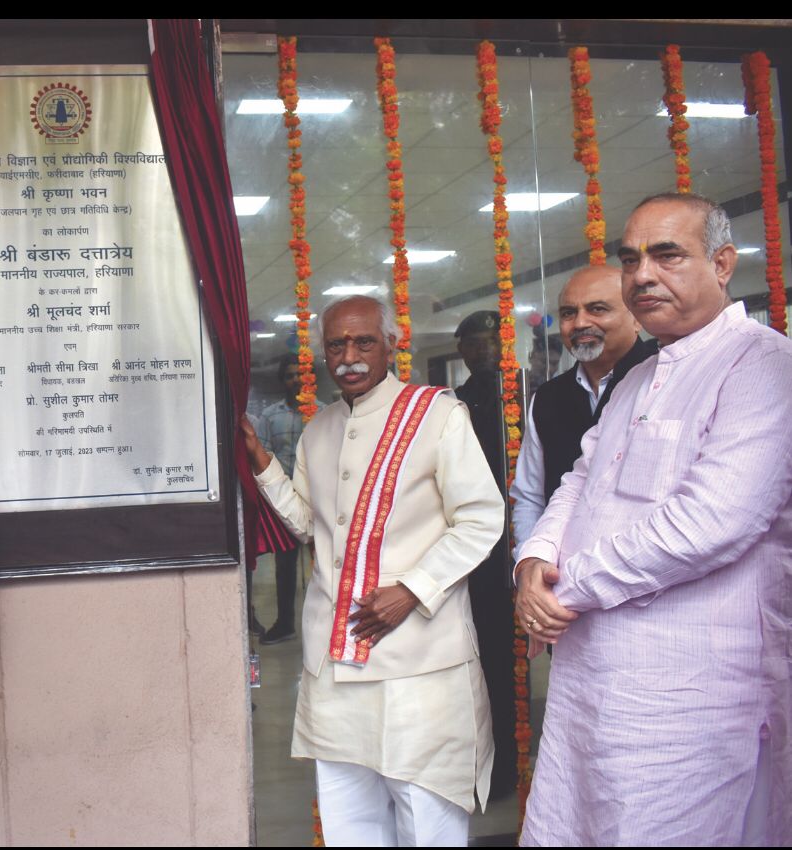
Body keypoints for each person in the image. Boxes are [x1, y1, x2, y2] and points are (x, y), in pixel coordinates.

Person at [515, 192, 792, 846]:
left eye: (668, 255)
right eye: (631, 259)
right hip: (593, 679)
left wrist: (564, 587)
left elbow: (712, 523)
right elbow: (581, 478)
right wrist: (534, 558)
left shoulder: (763, 365)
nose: (642, 275)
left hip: (689, 694)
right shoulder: (638, 378)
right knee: (575, 822)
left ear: (722, 263)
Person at [241, 294, 504, 845]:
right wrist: (263, 464)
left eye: (363, 341)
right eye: (337, 344)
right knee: (349, 823)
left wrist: (412, 589)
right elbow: (311, 528)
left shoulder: (437, 414)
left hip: (419, 663)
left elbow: (481, 518)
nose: (349, 356)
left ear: (391, 343)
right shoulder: (319, 429)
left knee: (426, 821)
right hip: (335, 668)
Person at [511, 265, 657, 549]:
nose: (579, 323)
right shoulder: (548, 398)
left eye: (598, 309)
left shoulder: (664, 378)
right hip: (559, 577)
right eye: (568, 313)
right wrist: (531, 564)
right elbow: (531, 499)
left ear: (637, 319)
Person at [452, 309, 518, 797]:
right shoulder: (454, 407)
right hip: (480, 550)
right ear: (462, 351)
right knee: (491, 654)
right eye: (475, 343)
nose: (486, 350)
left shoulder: (527, 394)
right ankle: (500, 764)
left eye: (493, 341)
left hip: (528, 541)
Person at [254, 353, 323, 645]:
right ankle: (285, 623)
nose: (296, 379)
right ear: (283, 380)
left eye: (300, 373)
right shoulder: (270, 417)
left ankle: (323, 625)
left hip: (319, 498)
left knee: (323, 564)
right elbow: (264, 456)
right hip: (284, 498)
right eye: (290, 375)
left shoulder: (324, 413)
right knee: (285, 566)